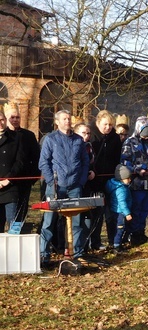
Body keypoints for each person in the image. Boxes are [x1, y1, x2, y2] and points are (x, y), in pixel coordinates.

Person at [39, 110, 90, 267]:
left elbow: (85, 162)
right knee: (49, 222)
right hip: (55, 188)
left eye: (69, 118)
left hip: (75, 187)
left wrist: (81, 181)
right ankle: (44, 255)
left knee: (77, 222)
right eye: (64, 119)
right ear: (57, 121)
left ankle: (77, 253)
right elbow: (43, 162)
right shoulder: (50, 139)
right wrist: (50, 181)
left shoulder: (78, 141)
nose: (68, 121)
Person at [120, 116, 148, 245]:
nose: (146, 136)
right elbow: (125, 161)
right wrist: (137, 170)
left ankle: (140, 232)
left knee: (145, 209)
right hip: (136, 183)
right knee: (135, 209)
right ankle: (132, 234)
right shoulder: (130, 142)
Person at [89, 110, 122, 249]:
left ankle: (112, 240)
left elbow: (117, 158)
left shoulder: (115, 138)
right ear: (98, 123)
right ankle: (95, 242)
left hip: (110, 180)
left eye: (110, 124)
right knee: (96, 213)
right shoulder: (92, 136)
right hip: (95, 181)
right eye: (105, 124)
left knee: (111, 213)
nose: (108, 127)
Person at [4, 102, 40, 229]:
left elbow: (36, 158)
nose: (15, 120)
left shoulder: (28, 135)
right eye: (12, 117)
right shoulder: (4, 135)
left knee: (20, 214)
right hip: (5, 182)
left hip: (23, 181)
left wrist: (33, 178)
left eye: (17, 117)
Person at [0, 108, 25, 231]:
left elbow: (20, 162)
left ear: (5, 120)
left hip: (11, 186)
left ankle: (14, 250)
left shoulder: (16, 137)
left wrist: (8, 179)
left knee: (13, 224)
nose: (0, 123)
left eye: (2, 120)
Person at [105, 164, 133, 252]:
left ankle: (112, 242)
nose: (130, 180)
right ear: (122, 179)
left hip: (113, 210)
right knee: (120, 228)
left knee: (113, 227)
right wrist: (127, 213)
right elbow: (122, 203)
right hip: (120, 211)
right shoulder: (122, 190)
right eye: (128, 178)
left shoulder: (111, 184)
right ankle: (117, 245)